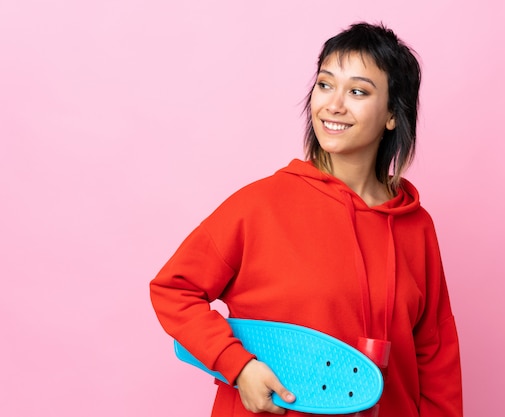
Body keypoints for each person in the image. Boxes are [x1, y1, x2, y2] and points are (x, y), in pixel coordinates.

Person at [150, 22, 462, 417]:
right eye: (325, 85)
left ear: (392, 116)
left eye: (358, 91)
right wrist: (239, 366)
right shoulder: (259, 205)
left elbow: (435, 354)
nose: (334, 104)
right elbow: (172, 290)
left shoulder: (416, 226)